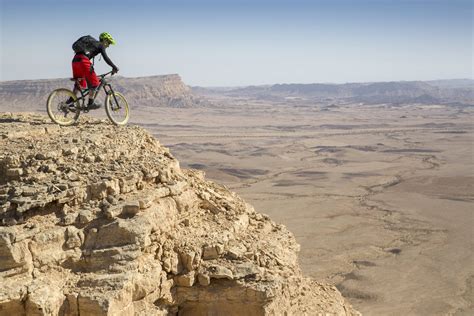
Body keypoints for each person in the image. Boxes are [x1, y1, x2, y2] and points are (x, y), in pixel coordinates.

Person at [70, 32, 119, 109]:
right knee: (95, 83)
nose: (108, 45)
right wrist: (114, 67)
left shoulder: (90, 46)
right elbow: (106, 58)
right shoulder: (100, 45)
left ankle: (69, 102)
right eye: (108, 42)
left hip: (75, 61)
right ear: (105, 40)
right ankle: (90, 103)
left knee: (79, 83)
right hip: (83, 61)